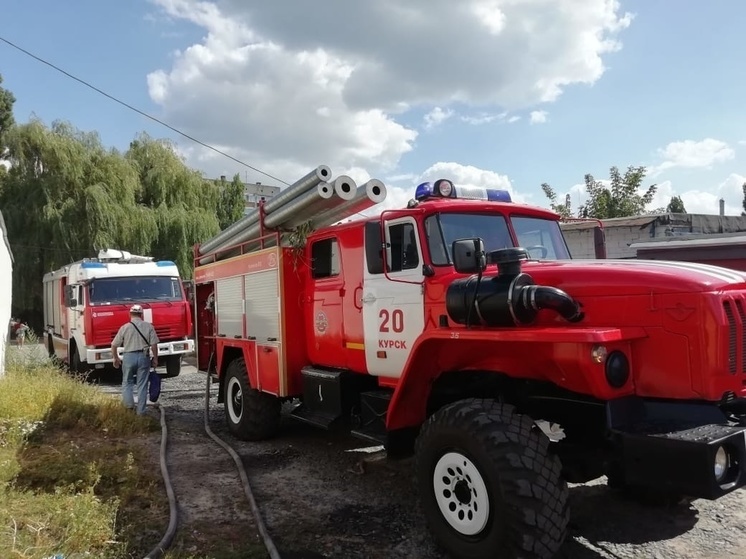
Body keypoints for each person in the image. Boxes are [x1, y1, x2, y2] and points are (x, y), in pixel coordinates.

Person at [111, 304, 159, 415]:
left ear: (130, 314)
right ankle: (141, 412)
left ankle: (129, 407)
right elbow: (154, 345)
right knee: (142, 384)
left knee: (127, 382)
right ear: (141, 314)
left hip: (128, 357)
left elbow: (114, 345)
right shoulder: (148, 326)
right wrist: (155, 358)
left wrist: (115, 358)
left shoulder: (124, 327)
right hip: (144, 357)